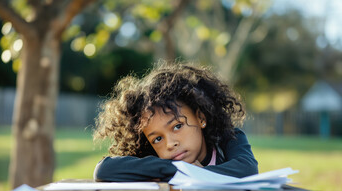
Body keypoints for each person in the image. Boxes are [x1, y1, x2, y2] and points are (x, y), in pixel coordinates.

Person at [93, 62, 258, 182]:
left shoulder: (229, 137)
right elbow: (104, 169)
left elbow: (248, 169)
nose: (170, 144)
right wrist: (180, 170)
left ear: (201, 118)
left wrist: (198, 174)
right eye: (157, 139)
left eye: (177, 126)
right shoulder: (152, 155)